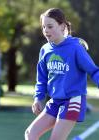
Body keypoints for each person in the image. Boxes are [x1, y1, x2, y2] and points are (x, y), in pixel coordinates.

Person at [25, 8, 99, 140]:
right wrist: (38, 98)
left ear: (62, 26)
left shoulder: (75, 48)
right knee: (30, 134)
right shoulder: (45, 50)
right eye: (43, 27)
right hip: (55, 101)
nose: (46, 30)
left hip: (73, 100)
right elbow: (41, 79)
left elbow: (93, 71)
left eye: (50, 26)